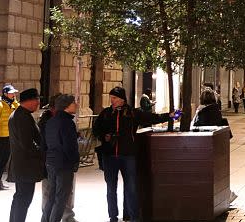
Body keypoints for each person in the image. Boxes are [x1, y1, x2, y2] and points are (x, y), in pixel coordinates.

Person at [93, 86, 174, 222]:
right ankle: (113, 216)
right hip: (109, 155)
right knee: (111, 188)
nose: (111, 100)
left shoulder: (132, 113)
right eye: (111, 98)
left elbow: (151, 118)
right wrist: (104, 136)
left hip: (128, 155)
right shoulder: (106, 113)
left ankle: (133, 217)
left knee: (131, 187)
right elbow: (96, 130)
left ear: (122, 99)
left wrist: (169, 116)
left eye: (114, 98)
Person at [8, 88, 44, 222]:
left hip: (23, 165)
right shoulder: (21, 117)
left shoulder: (21, 114)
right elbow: (27, 143)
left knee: (20, 198)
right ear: (29, 101)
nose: (38, 103)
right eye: (37, 100)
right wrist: (41, 153)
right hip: (25, 166)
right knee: (24, 199)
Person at [39, 94, 77, 222]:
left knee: (52, 195)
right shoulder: (67, 122)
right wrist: (74, 161)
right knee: (61, 197)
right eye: (73, 102)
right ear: (66, 106)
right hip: (63, 164)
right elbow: (68, 146)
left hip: (51, 161)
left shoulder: (51, 121)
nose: (76, 104)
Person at [0, 84, 20, 190]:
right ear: (5, 94)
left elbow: (20, 109)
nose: (13, 95)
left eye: (14, 93)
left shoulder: (11, 104)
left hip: (9, 136)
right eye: (11, 93)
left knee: (4, 159)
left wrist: (15, 100)